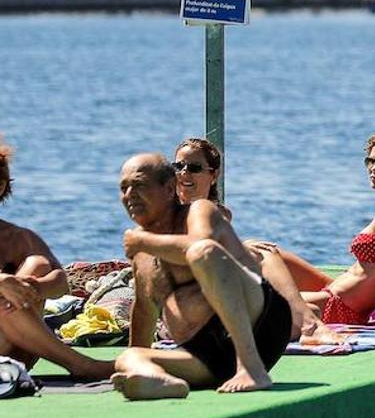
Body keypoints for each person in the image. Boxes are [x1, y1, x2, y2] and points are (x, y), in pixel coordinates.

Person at [112, 153, 293, 398]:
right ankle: (161, 381)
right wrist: (137, 362)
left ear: (169, 188)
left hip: (260, 324)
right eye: (124, 188)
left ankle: (251, 369)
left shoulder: (199, 210)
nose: (129, 194)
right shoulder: (141, 252)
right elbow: (144, 311)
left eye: (139, 185)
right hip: (206, 357)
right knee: (129, 356)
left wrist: (144, 240)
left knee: (202, 252)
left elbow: (200, 244)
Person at [170, 137, 337, 343]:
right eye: (178, 166)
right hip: (187, 300)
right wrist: (239, 249)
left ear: (213, 175)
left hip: (220, 293)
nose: (184, 172)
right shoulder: (168, 213)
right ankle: (310, 325)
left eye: (194, 167)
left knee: (300, 310)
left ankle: (307, 321)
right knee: (265, 257)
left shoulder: (220, 214)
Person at [270, 130, 375, 327]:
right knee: (267, 253)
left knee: (261, 300)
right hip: (334, 294)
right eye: (371, 161)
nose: (374, 169)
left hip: (336, 307)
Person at [0, 137, 112, 380]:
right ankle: (81, 364)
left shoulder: (18, 237)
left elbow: (62, 283)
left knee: (38, 265)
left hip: (17, 351)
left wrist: (33, 287)